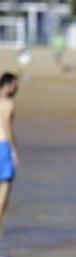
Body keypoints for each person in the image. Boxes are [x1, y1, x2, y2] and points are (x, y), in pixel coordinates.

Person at [0, 73, 18, 232]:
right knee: (5, 185)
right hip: (3, 145)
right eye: (15, 84)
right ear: (8, 85)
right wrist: (14, 149)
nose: (17, 88)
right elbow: (6, 125)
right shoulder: (9, 103)